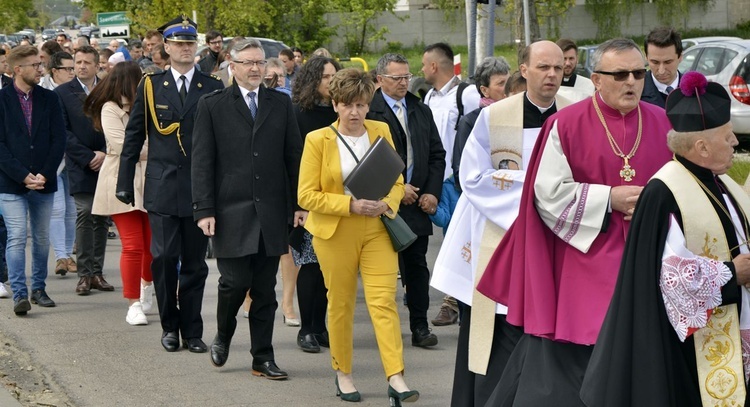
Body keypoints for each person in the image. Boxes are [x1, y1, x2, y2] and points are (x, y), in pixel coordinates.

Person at [474, 38, 675, 405]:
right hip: (586, 258)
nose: (632, 81)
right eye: (620, 74)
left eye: (638, 73)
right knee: (581, 357)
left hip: (650, 256)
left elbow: (683, 183)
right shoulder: (565, 124)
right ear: (596, 79)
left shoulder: (663, 122)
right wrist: (608, 198)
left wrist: (659, 202)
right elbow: (547, 194)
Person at [580, 72, 750, 406]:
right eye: (728, 137)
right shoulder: (665, 192)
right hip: (691, 351)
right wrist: (733, 274)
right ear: (701, 146)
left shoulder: (722, 182)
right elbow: (672, 281)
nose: (734, 144)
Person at [430, 41, 574, 407]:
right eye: (543, 67)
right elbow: (474, 178)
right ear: (523, 70)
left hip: (562, 237)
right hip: (505, 236)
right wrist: (541, 196)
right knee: (496, 333)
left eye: (558, 68)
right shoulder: (494, 118)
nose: (552, 75)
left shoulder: (576, 115)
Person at [298, 68, 418, 405]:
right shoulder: (317, 139)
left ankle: (396, 376)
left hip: (378, 227)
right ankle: (343, 373)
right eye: (348, 104)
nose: (355, 112)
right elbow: (306, 195)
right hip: (336, 231)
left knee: (384, 302)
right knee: (341, 305)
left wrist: (387, 203)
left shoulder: (380, 130)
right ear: (335, 104)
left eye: (362, 105)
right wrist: (350, 205)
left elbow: (396, 178)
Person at [192, 38, 302, 379]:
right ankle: (223, 334)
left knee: (265, 288)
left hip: (271, 210)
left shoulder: (281, 105)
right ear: (232, 65)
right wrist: (204, 209)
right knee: (234, 282)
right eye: (249, 63)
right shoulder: (212, 105)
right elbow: (202, 161)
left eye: (260, 62)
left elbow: (293, 158)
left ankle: (262, 357)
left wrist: (299, 204)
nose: (256, 68)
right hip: (229, 211)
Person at [116, 16, 223, 353]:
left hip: (198, 188)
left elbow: (223, 142)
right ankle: (169, 325)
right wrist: (123, 181)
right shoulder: (151, 85)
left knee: (194, 263)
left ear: (197, 47)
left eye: (190, 43)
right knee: (163, 259)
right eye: (178, 43)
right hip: (162, 185)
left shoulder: (213, 86)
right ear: (167, 47)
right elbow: (134, 136)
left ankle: (192, 330)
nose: (185, 48)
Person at [367, 53, 446, 348]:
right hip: (383, 202)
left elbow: (437, 154)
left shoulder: (418, 109)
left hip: (417, 202)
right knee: (384, 271)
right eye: (396, 78)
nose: (403, 83)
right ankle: (385, 329)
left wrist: (431, 192)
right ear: (380, 80)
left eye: (406, 77)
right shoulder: (369, 111)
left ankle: (420, 326)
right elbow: (366, 160)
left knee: (416, 266)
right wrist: (398, 188)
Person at [86, 61, 155, 326]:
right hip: (120, 182)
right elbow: (124, 146)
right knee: (133, 245)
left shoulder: (148, 107)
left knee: (152, 246)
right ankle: (133, 303)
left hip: (150, 181)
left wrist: (148, 147)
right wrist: (153, 148)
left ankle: (145, 287)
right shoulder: (109, 108)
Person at [0, 45, 66, 315]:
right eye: (35, 65)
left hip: (44, 180)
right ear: (18, 69)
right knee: (16, 237)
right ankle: (20, 293)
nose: (41, 69)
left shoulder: (49, 99)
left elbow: (58, 140)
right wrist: (21, 174)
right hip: (10, 182)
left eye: (41, 64)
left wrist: (45, 174)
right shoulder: (1, 100)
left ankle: (38, 288)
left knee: (40, 238)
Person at [289, 55, 341, 353]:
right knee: (310, 265)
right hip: (309, 202)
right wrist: (298, 205)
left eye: (335, 76)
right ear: (311, 80)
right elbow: (292, 162)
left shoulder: (340, 113)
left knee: (329, 268)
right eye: (325, 77)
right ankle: (307, 329)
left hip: (338, 201)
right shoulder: (297, 113)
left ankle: (321, 327)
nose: (331, 83)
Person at [56, 45, 114, 296]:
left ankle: (97, 272)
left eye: (86, 62)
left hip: (107, 161)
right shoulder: (62, 92)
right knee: (85, 212)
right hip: (80, 164)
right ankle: (83, 274)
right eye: (77, 63)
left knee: (102, 217)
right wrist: (88, 156)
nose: (81, 67)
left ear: (97, 65)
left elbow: (116, 124)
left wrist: (104, 152)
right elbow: (62, 131)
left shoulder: (108, 89)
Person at [40, 51, 77, 278]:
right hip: (51, 159)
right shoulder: (43, 90)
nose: (73, 73)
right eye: (69, 69)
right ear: (56, 71)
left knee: (72, 210)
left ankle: (68, 255)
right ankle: (61, 256)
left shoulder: (75, 90)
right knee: (57, 209)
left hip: (72, 157)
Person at [421, 42, 480, 179]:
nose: (422, 69)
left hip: (460, 178)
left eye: (424, 65)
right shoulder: (429, 97)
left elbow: (480, 134)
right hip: (435, 178)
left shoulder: (467, 94)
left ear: (433, 66)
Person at [641, 27, 683, 108]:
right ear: (646, 57)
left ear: (680, 57)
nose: (661, 71)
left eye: (668, 62)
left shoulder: (696, 91)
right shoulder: (635, 91)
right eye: (655, 62)